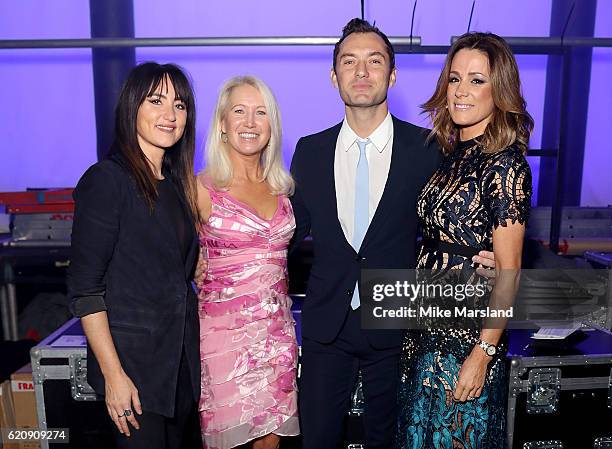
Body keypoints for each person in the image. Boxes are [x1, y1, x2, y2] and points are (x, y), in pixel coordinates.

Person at [289, 19, 496, 449]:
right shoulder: (308, 152)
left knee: (391, 440)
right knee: (318, 440)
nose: (361, 72)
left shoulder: (429, 149)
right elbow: (286, 233)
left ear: (393, 74)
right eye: (350, 62)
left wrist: (487, 249)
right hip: (327, 325)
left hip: (400, 325)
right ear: (334, 76)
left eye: (374, 61)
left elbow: (458, 214)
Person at [396, 32, 533, 449]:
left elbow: (508, 274)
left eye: (477, 80)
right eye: (455, 79)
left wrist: (483, 353)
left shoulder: (507, 166)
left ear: (500, 89)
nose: (461, 91)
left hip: (464, 341)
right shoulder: (451, 156)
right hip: (422, 333)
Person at [68, 62, 201, 449]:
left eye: (179, 105)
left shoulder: (176, 186)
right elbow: (85, 290)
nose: (170, 115)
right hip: (134, 372)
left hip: (179, 368)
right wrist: (114, 376)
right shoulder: (107, 181)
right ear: (131, 108)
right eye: (156, 101)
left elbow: (170, 270)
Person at [196, 75, 299, 449]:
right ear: (222, 124)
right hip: (223, 341)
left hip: (276, 336)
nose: (250, 122)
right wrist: (192, 264)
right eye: (239, 111)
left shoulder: (283, 189)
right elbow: (164, 257)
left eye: (261, 113)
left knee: (271, 444)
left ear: (272, 126)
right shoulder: (199, 189)